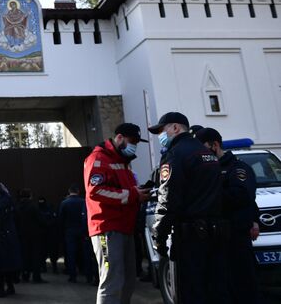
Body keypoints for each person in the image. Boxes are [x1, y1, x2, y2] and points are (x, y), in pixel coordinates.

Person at [147, 112, 228, 304]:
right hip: (217, 235)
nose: (160, 136)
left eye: (162, 130)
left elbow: (168, 199)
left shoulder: (175, 155)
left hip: (191, 238)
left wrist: (158, 235)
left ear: (175, 128)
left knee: (190, 293)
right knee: (215, 291)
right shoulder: (207, 153)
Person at [83, 122, 150, 304]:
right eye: (132, 140)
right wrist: (132, 194)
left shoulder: (121, 162)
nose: (134, 145)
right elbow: (95, 191)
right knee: (112, 280)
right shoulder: (99, 158)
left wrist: (138, 192)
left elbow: (124, 190)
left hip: (124, 227)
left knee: (128, 280)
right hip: (107, 228)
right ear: (119, 137)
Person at [195, 127, 261, 304]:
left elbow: (243, 196)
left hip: (236, 236)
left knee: (243, 286)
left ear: (214, 145)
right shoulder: (207, 170)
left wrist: (208, 195)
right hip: (216, 237)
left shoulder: (237, 168)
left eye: (202, 150)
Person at [0, 181, 22, 298]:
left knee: (0, 264)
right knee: (7, 264)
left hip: (1, 237)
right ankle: (10, 287)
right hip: (10, 236)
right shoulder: (9, 201)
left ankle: (1, 289)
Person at [59, 185, 92, 283]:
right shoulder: (83, 202)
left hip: (69, 231)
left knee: (71, 254)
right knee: (86, 253)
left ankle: (72, 275)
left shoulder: (64, 203)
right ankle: (88, 275)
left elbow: (61, 219)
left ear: (69, 192)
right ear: (78, 191)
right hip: (83, 230)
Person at [15, 188, 47, 283]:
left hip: (22, 235)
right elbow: (41, 220)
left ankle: (25, 274)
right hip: (34, 235)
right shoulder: (33, 207)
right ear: (30, 196)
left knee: (24, 255)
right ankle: (36, 276)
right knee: (35, 256)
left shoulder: (17, 207)